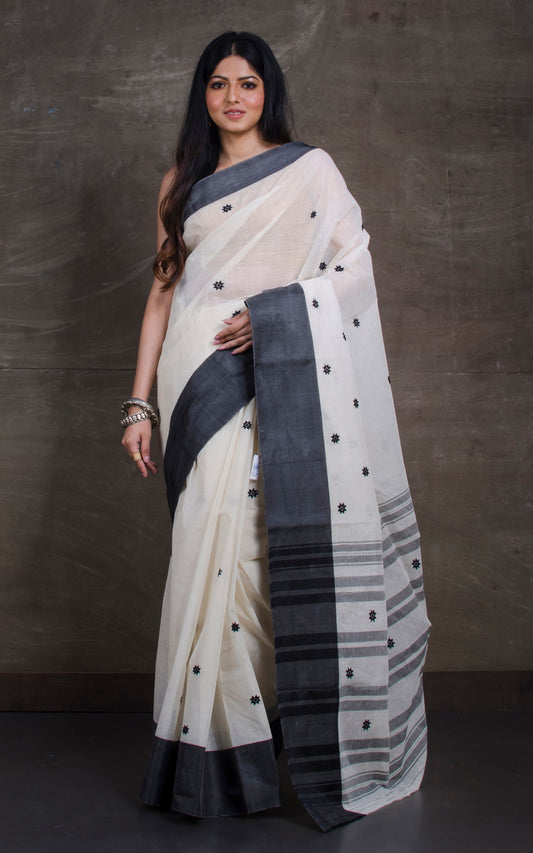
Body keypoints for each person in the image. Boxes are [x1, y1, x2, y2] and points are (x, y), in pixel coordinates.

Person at [121, 31, 430, 832]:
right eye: (218, 84)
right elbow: (162, 295)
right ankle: (207, 755)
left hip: (280, 373)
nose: (233, 98)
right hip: (194, 378)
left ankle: (265, 739)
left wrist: (272, 317)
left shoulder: (309, 171)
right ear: (203, 95)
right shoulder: (180, 183)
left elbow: (352, 269)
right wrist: (138, 404)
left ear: (268, 92)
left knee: (259, 553)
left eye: (248, 83)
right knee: (206, 543)